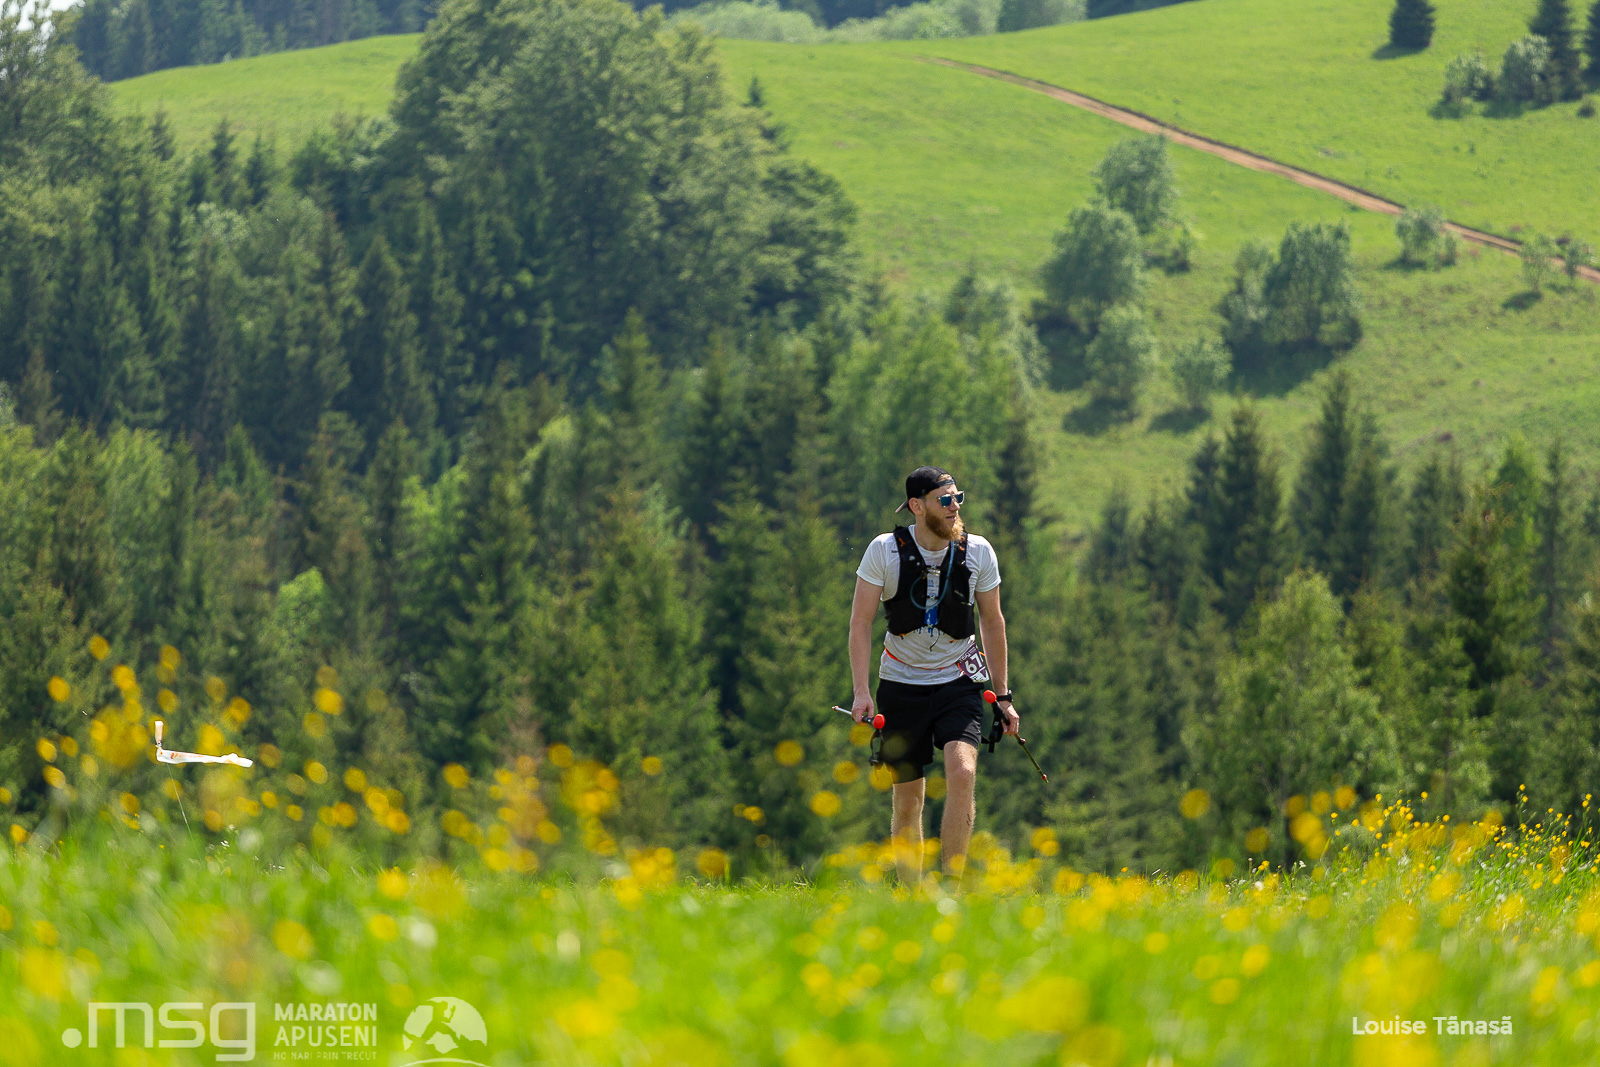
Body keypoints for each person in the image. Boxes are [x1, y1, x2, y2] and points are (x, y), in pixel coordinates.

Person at [848, 465, 1018, 886]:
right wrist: (861, 691)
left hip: (959, 682)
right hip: (900, 685)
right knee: (908, 799)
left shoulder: (979, 551)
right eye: (945, 500)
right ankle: (910, 897)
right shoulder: (884, 551)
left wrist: (1003, 695)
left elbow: (992, 622)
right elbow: (860, 622)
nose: (954, 507)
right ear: (917, 506)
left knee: (963, 772)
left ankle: (952, 891)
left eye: (958, 498)